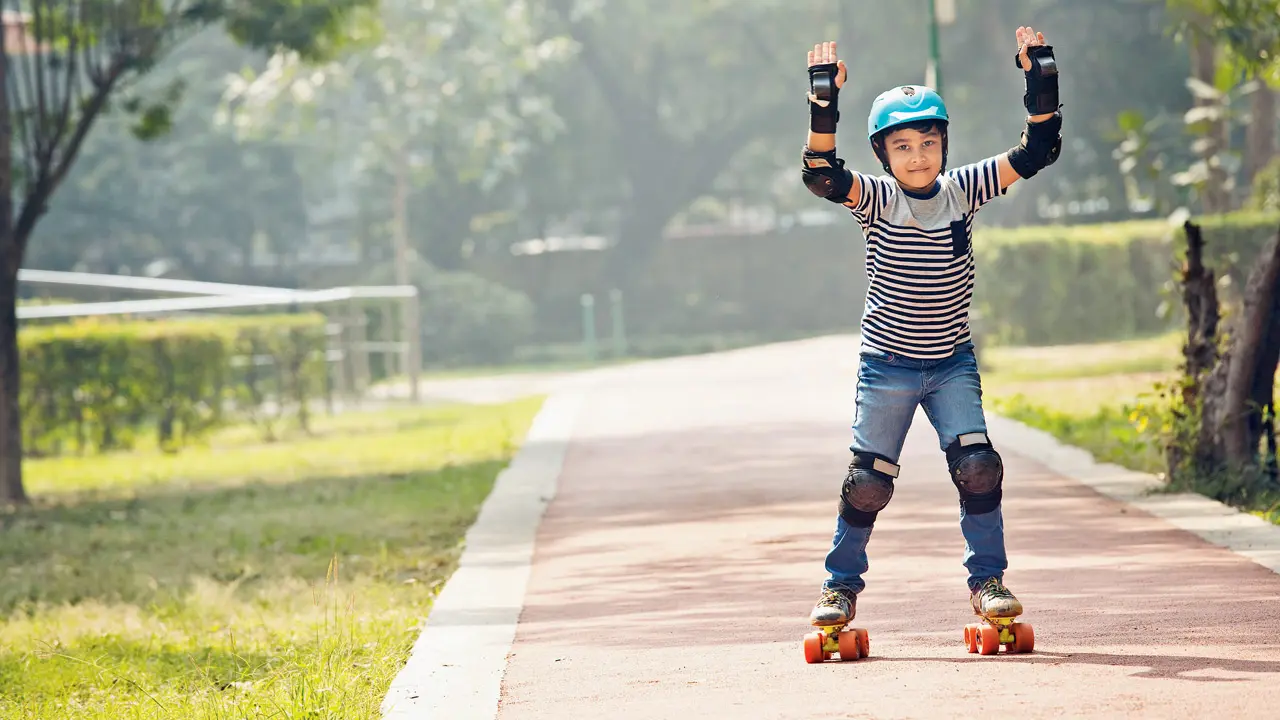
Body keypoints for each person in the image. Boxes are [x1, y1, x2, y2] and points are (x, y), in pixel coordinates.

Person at [799, 26, 1063, 629]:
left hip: (950, 364)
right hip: (887, 365)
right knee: (868, 483)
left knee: (978, 467)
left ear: (944, 144)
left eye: (927, 142)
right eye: (902, 147)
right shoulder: (878, 199)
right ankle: (839, 587)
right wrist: (823, 104)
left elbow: (1036, 150)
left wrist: (1041, 76)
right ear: (884, 157)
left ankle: (989, 581)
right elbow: (821, 174)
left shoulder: (964, 188)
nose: (916, 156)